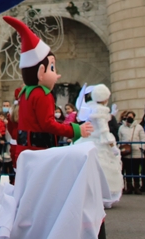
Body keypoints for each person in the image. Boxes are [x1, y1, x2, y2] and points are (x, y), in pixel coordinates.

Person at [5, 16, 92, 168]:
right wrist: (77, 130)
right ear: (41, 72)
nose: (57, 74)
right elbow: (47, 124)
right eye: (53, 68)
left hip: (24, 151)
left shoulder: (25, 93)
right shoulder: (42, 94)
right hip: (40, 152)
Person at [75, 84, 123, 206]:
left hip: (87, 140)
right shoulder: (101, 111)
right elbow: (103, 130)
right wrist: (112, 146)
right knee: (104, 169)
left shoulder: (90, 108)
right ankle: (104, 197)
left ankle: (89, 196)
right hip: (99, 143)